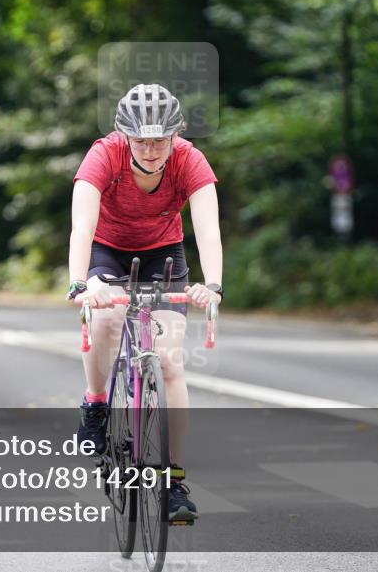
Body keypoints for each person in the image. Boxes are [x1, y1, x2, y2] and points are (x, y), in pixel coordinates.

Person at [67, 83, 223, 524]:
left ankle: (173, 481)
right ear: (124, 137)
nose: (151, 150)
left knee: (171, 362)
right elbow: (81, 228)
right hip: (106, 250)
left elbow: (208, 230)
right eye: (141, 141)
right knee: (108, 320)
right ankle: (96, 404)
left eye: (160, 140)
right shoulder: (103, 155)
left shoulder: (190, 160)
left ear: (177, 135)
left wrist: (212, 285)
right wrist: (82, 284)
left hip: (163, 254)